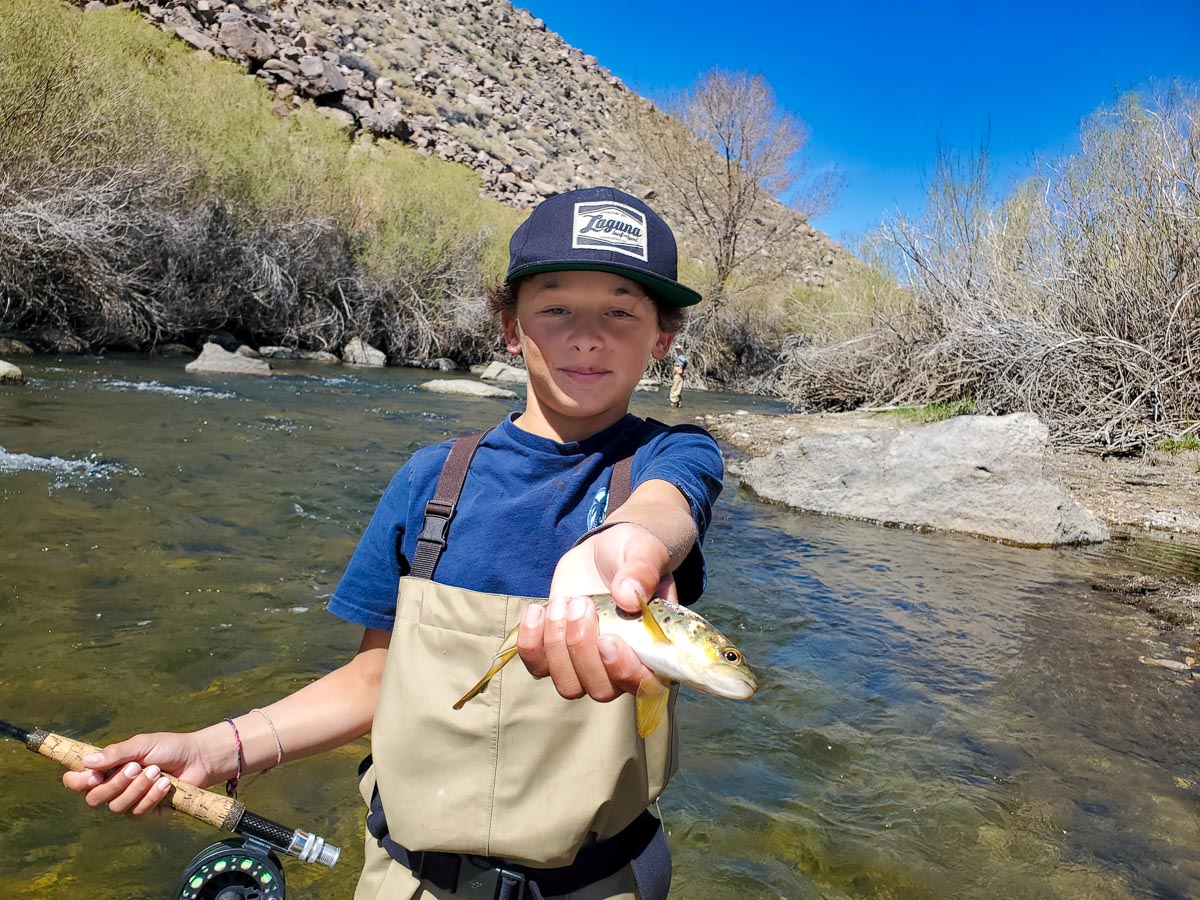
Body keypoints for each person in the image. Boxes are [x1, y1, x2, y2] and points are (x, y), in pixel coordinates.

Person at [62, 186, 724, 900]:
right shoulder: (431, 481)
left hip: (602, 884)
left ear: (662, 338)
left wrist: (630, 543)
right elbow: (373, 682)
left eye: (621, 312)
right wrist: (210, 747)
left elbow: (669, 507)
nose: (587, 335)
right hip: (404, 883)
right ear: (511, 327)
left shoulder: (673, 457)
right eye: (556, 307)